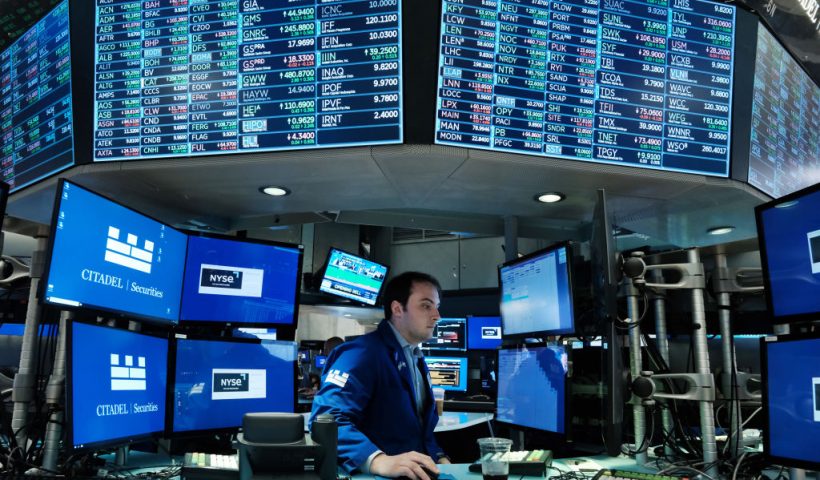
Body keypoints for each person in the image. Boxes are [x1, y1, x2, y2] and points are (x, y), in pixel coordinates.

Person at [310, 272, 449, 479]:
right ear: (397, 309)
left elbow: (417, 428)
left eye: (436, 306)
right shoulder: (361, 354)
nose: (437, 315)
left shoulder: (414, 356)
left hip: (417, 472)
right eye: (426, 306)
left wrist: (438, 456)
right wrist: (377, 459)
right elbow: (326, 420)